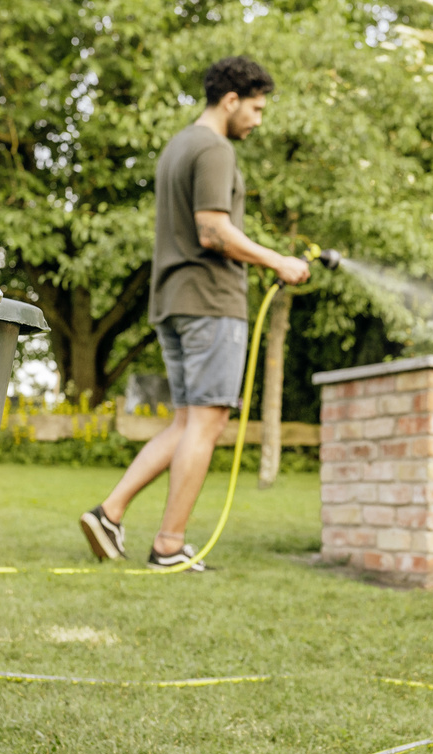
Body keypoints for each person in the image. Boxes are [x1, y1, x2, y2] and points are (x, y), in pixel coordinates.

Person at [79, 56, 310, 571]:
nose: (258, 119)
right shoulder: (214, 148)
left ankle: (110, 513)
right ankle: (168, 545)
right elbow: (212, 229)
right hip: (209, 301)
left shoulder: (178, 145)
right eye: (256, 108)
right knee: (207, 424)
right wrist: (279, 261)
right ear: (231, 100)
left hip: (174, 301)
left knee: (187, 422)